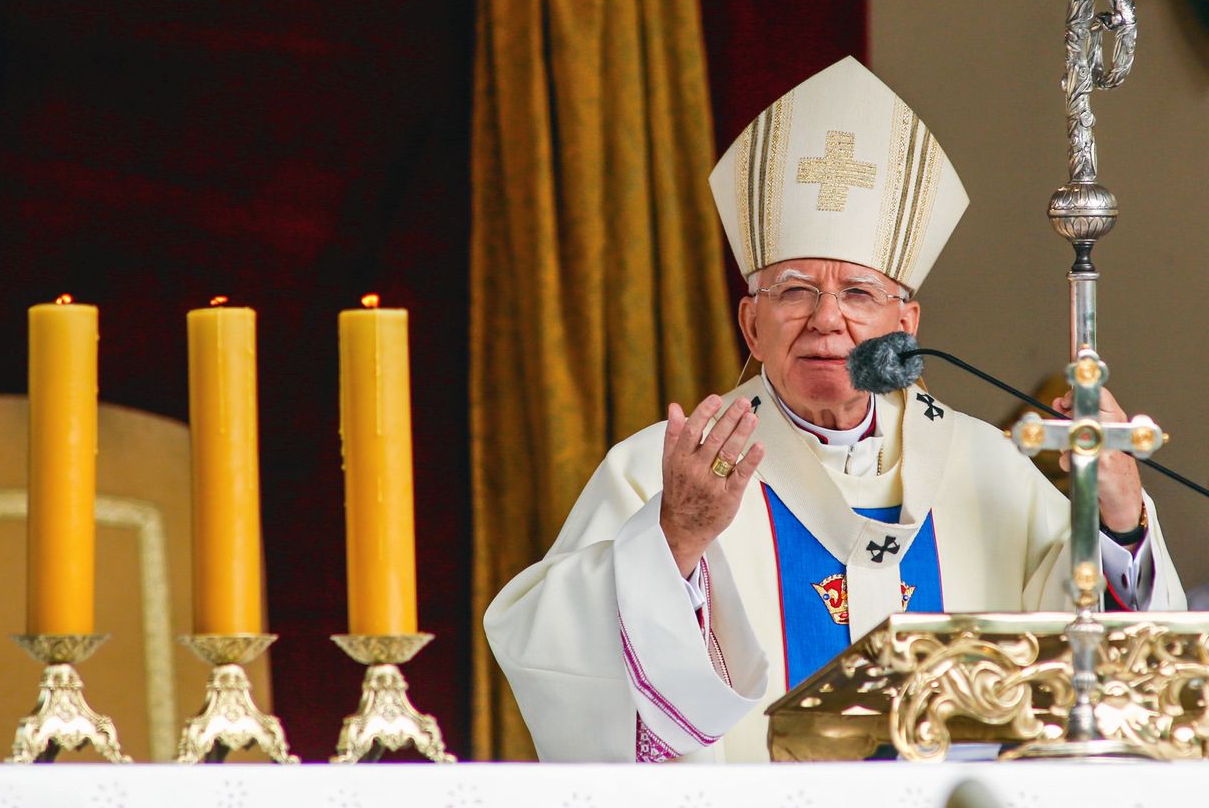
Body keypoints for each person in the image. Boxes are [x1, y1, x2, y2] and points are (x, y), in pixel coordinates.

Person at [484, 57, 1185, 763]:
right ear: (751, 326)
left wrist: (1120, 520)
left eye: (857, 293)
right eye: (794, 291)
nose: (826, 319)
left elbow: (1098, 675)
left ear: (905, 325)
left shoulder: (985, 468)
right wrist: (674, 541)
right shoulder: (667, 472)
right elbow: (555, 650)